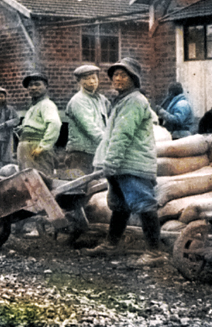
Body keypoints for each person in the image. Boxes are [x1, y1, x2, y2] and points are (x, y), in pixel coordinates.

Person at [84, 58, 165, 267]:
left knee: (144, 203)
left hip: (133, 165)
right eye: (115, 75)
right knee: (120, 207)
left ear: (134, 79)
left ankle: (155, 252)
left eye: (124, 75)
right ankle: (111, 244)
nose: (118, 79)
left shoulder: (135, 101)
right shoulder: (123, 100)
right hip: (121, 165)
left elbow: (122, 134)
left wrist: (110, 161)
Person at [64, 65, 110, 175]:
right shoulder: (78, 101)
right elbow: (90, 127)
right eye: (86, 78)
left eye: (94, 78)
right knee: (79, 189)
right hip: (80, 155)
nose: (91, 81)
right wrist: (110, 143)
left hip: (96, 152)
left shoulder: (101, 99)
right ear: (79, 81)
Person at [16, 73, 62, 176]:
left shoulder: (47, 105)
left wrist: (43, 146)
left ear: (46, 86)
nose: (33, 88)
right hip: (27, 147)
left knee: (40, 179)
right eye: (30, 85)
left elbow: (54, 124)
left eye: (37, 85)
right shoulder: (33, 107)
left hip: (36, 147)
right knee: (27, 179)